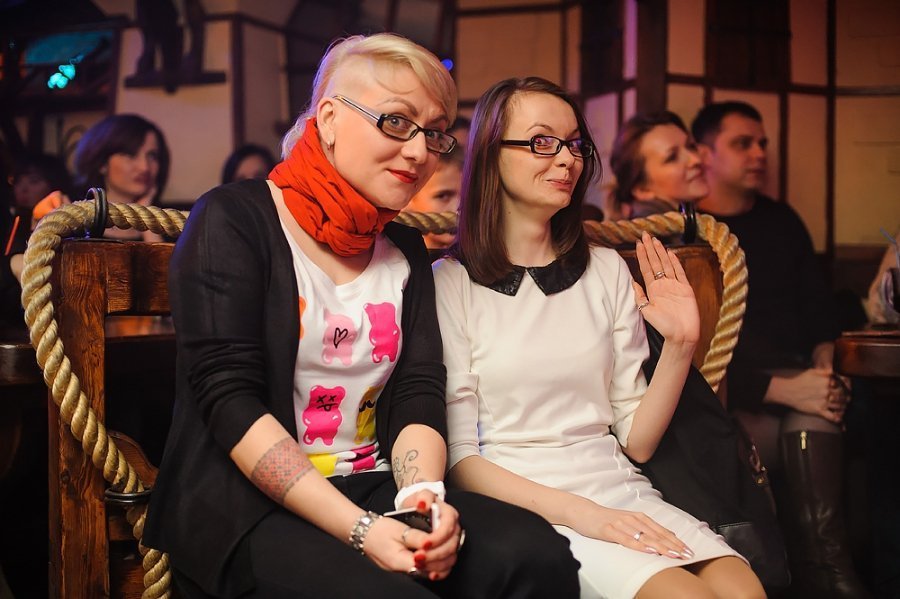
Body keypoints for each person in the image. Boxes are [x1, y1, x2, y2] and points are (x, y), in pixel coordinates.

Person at [143, 34, 579, 599]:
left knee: (536, 555)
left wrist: (422, 502)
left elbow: (418, 390)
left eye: (434, 132)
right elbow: (229, 399)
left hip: (375, 486)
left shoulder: (404, 248)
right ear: (328, 119)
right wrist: (361, 531)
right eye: (396, 122)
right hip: (246, 509)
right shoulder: (234, 218)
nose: (420, 152)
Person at [433, 76, 764, 599]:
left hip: (618, 486)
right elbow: (461, 460)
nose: (567, 159)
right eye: (543, 142)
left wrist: (680, 344)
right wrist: (586, 516)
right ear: (492, 154)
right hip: (525, 504)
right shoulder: (449, 283)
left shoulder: (606, 269)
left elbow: (636, 439)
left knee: (745, 591)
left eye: (575, 144)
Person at [691, 101, 868, 598]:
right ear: (706, 153)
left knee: (818, 417)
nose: (759, 154)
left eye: (762, 143)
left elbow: (818, 307)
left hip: (801, 378)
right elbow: (704, 349)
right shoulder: (692, 233)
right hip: (735, 393)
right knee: (808, 421)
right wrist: (781, 390)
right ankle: (821, 575)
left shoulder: (781, 219)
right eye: (742, 143)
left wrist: (825, 360)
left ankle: (825, 571)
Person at [610, 112, 706, 220]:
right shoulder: (656, 229)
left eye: (691, 146)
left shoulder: (685, 222)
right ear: (642, 189)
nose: (696, 160)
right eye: (672, 158)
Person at [403, 148, 463, 249]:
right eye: (443, 196)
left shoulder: (482, 256)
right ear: (409, 199)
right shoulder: (390, 254)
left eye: (465, 195)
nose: (459, 206)